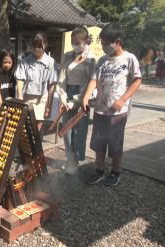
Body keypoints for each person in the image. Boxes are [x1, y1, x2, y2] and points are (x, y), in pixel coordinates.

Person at [81, 23, 142, 186]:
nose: (104, 46)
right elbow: (94, 80)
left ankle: (115, 172)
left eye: (107, 43)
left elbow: (137, 81)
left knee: (115, 144)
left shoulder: (129, 58)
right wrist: (86, 96)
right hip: (100, 109)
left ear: (118, 41)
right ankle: (99, 170)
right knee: (99, 142)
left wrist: (122, 100)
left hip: (118, 111)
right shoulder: (102, 61)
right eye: (102, 42)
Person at [57, 26, 96, 175]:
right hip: (66, 94)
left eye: (78, 42)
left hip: (82, 96)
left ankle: (77, 160)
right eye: (73, 42)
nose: (75, 45)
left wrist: (75, 101)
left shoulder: (91, 59)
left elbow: (90, 84)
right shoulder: (67, 56)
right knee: (66, 130)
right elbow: (61, 80)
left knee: (79, 131)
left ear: (86, 41)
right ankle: (69, 159)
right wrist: (62, 98)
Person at [15, 31, 58, 132]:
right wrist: (20, 96)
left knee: (36, 130)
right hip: (27, 98)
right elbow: (20, 79)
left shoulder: (51, 62)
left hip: (42, 99)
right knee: (25, 128)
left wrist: (49, 106)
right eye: (35, 46)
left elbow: (52, 85)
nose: (37, 49)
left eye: (40, 46)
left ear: (45, 44)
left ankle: (36, 147)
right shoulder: (25, 61)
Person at [0, 50, 17, 118]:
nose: (7, 65)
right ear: (0, 62)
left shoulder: (14, 75)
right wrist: (2, 108)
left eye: (9, 62)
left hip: (11, 110)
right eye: (5, 62)